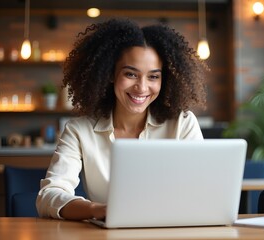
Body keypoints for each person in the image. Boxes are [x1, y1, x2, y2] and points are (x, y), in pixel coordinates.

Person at [36, 18, 207, 220]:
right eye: (131, 74)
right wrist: (98, 210)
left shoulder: (183, 124)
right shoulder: (79, 130)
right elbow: (49, 196)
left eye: (153, 77)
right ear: (110, 74)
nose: (142, 88)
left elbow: (203, 190)